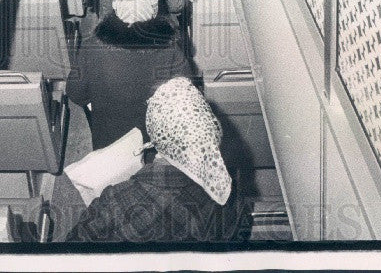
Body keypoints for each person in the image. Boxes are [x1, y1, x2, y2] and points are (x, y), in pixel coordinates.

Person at [65, 76, 249, 243]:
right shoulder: (228, 183)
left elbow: (72, 248)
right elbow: (241, 228)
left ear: (156, 135)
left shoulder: (118, 200)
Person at [67, 0, 191, 151]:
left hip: (109, 144)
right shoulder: (171, 50)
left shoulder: (92, 46)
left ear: (116, 5)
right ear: (154, 7)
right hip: (155, 144)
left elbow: (75, 94)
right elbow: (186, 100)